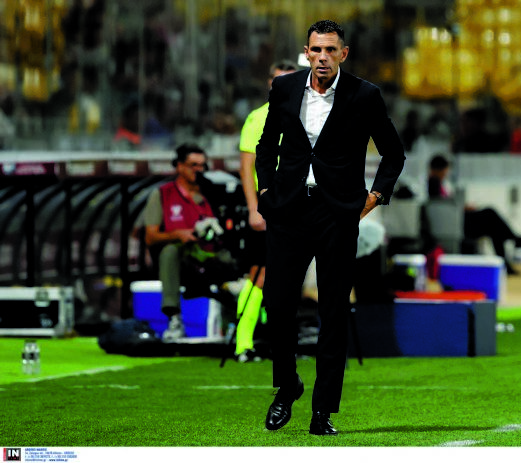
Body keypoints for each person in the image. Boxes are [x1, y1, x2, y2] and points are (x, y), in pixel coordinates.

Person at [255, 19, 405, 436]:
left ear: (344, 53)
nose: (322, 57)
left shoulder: (365, 94)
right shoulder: (284, 88)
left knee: (333, 311)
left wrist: (373, 198)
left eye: (330, 50)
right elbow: (267, 145)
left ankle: (322, 410)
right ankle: (288, 385)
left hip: (337, 214)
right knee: (277, 303)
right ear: (307, 52)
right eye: (316, 50)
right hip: (288, 210)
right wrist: (266, 191)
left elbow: (393, 153)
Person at [236, 59, 298, 363]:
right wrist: (254, 209)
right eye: (278, 80)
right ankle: (243, 343)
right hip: (269, 207)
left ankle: (280, 345)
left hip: (297, 208)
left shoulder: (307, 116)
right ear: (270, 83)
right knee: (260, 276)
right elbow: (246, 168)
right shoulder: (258, 118)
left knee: (288, 278)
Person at [142, 143, 222, 340]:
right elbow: (150, 236)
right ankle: (174, 318)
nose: (199, 170)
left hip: (211, 254)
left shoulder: (212, 192)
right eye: (193, 165)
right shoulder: (162, 194)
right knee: (169, 251)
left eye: (202, 165)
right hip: (184, 258)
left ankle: (239, 322)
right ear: (179, 166)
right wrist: (178, 234)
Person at [427, 154, 521, 276]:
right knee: (490, 213)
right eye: (445, 169)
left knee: (494, 228)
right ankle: (515, 240)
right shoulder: (434, 182)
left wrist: (463, 207)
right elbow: (443, 206)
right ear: (439, 169)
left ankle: (508, 258)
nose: (447, 172)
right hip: (455, 224)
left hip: (457, 220)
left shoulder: (439, 183)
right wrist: (462, 207)